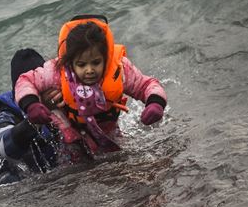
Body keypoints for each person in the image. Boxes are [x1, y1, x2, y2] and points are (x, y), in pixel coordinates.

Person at [14, 15, 167, 155]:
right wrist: (31, 105)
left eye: (96, 62)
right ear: (70, 62)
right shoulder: (56, 71)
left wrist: (155, 103)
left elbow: (147, 84)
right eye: (81, 64)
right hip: (70, 142)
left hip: (110, 136)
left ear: (106, 58)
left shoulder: (119, 69)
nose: (89, 70)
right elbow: (25, 81)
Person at [0, 48, 79, 186]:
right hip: (8, 192)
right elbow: (5, 147)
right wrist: (34, 119)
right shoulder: (4, 111)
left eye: (43, 84)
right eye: (33, 87)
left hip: (51, 181)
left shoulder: (57, 96)